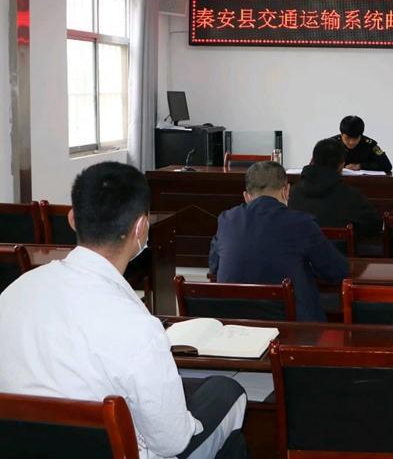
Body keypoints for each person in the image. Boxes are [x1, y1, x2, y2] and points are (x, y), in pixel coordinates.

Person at [0, 162, 247, 459]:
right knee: (229, 396)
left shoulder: (13, 292)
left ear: (73, 219)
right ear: (141, 227)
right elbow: (172, 443)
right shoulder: (135, 326)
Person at [210, 161, 348, 321]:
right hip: (292, 328)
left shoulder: (226, 220)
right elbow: (336, 271)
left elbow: (214, 267)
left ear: (246, 197)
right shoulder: (301, 223)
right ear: (286, 191)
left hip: (236, 325)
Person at [289, 137, 383, 238]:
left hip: (298, 248)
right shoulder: (351, 196)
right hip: (338, 248)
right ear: (341, 166)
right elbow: (376, 224)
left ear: (312, 160)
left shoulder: (291, 193)